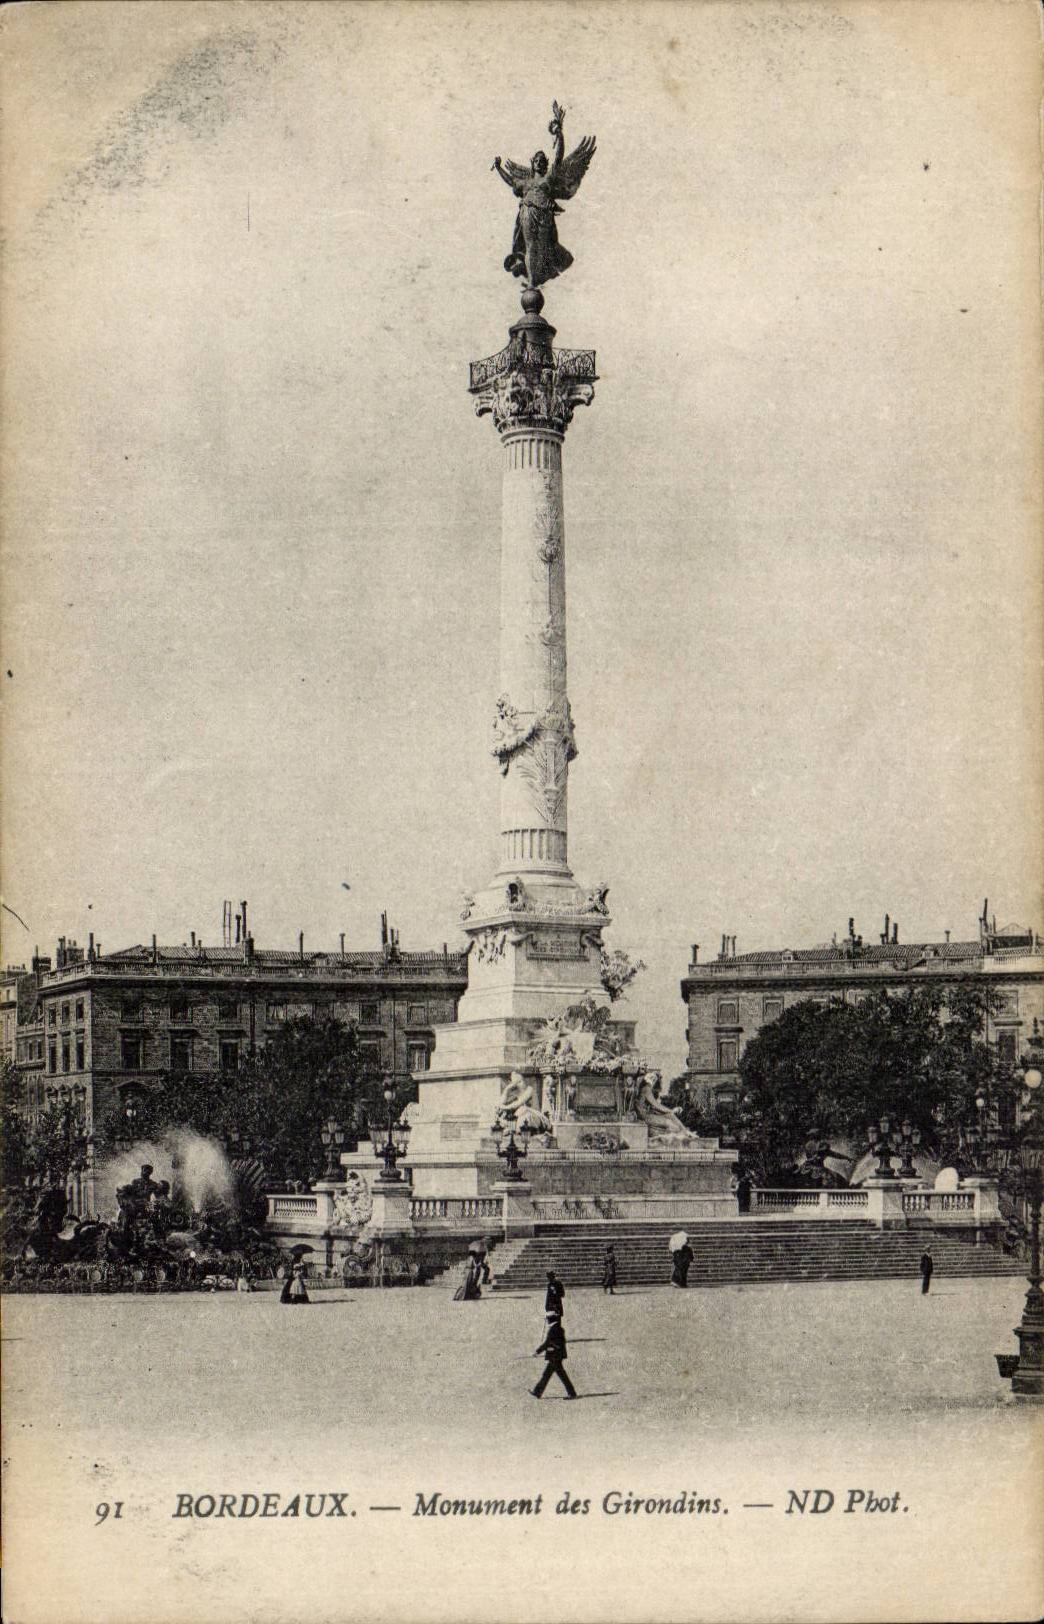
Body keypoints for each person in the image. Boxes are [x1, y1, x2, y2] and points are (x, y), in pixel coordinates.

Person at [531, 1312, 577, 1400]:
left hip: (555, 1356)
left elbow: (548, 1342)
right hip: (557, 1355)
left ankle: (572, 1393)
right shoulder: (557, 1328)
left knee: (559, 1375)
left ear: (550, 1319)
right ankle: (537, 1392)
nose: (547, 1321)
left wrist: (538, 1351)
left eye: (547, 1319)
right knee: (548, 1374)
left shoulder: (554, 1329)